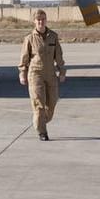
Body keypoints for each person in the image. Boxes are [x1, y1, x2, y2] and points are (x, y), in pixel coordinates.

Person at [19, 8, 66, 141]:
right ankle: (42, 132)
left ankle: (38, 120)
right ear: (35, 22)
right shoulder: (29, 38)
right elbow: (24, 58)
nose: (41, 22)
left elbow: (59, 56)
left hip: (50, 74)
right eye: (38, 20)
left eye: (43, 19)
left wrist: (62, 71)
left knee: (51, 104)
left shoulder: (53, 36)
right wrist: (22, 73)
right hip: (36, 74)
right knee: (39, 104)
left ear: (46, 20)